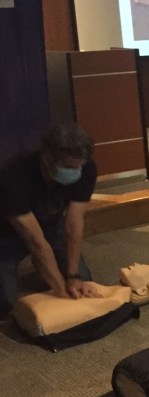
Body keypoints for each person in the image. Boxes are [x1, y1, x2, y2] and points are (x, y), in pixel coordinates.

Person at [0, 123, 101, 317]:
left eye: (79, 166)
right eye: (69, 167)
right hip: (6, 235)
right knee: (5, 303)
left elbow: (74, 223)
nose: (75, 171)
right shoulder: (12, 175)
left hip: (50, 225)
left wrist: (73, 276)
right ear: (47, 158)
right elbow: (35, 242)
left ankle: (46, 267)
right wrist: (61, 290)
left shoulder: (86, 167)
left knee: (83, 281)